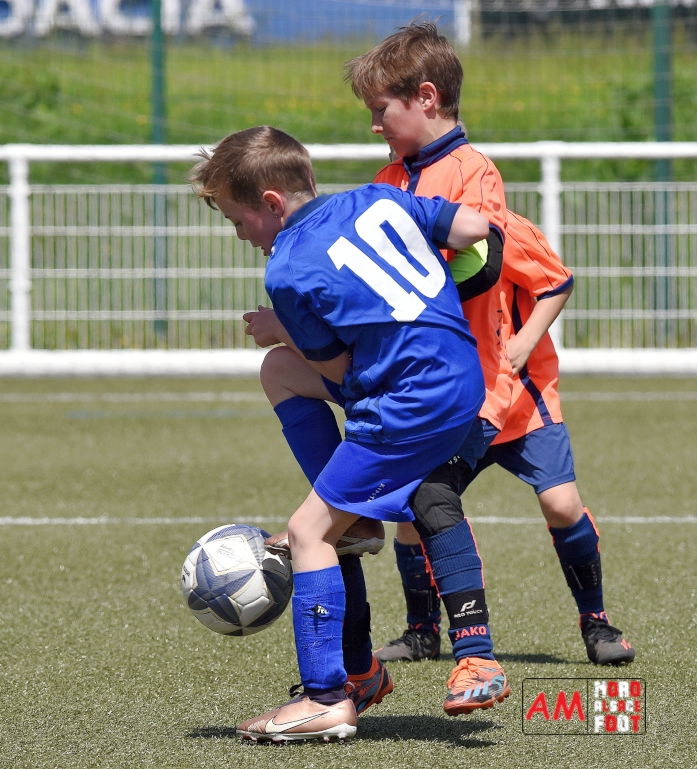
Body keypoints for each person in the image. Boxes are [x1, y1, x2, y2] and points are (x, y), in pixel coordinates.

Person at [346, 20, 635, 667]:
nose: (373, 125)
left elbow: (549, 279)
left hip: (512, 387)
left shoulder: (476, 181)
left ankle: (596, 621)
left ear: (426, 97)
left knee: (560, 501)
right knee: (415, 505)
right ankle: (423, 630)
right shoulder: (388, 183)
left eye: (380, 110)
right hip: (449, 385)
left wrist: (524, 342)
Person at [191, 125, 492, 742]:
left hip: (408, 401)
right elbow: (472, 229)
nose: (240, 234)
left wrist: (282, 326)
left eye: (238, 220)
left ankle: (326, 698)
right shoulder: (376, 198)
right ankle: (353, 519)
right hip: (462, 375)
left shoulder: (288, 270)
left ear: (272, 202)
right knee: (279, 371)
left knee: (308, 533)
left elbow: (340, 375)